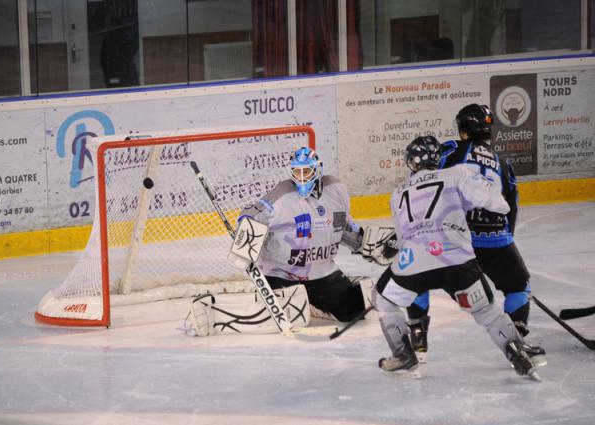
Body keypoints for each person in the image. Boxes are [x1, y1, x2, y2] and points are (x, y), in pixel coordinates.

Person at [372, 135, 540, 380]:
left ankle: (403, 353)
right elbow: (497, 203)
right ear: (438, 159)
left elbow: (403, 236)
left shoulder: (398, 193)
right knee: (488, 311)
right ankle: (517, 351)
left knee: (383, 297)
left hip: (414, 264)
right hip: (458, 263)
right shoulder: (456, 173)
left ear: (411, 162)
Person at [182, 147, 386, 336]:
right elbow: (250, 215)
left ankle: (314, 304)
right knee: (284, 316)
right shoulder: (283, 195)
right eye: (298, 172)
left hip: (322, 273)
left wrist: (362, 242)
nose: (302, 177)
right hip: (282, 275)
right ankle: (211, 312)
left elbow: (342, 227)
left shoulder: (336, 190)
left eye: (307, 171)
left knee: (356, 311)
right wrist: (246, 238)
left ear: (318, 170)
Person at [406, 104, 545, 365]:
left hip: (454, 238)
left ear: (463, 131)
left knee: (417, 274)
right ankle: (516, 341)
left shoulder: (451, 150)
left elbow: (425, 181)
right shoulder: (504, 164)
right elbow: (510, 206)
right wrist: (506, 244)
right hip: (495, 241)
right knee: (518, 286)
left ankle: (417, 333)